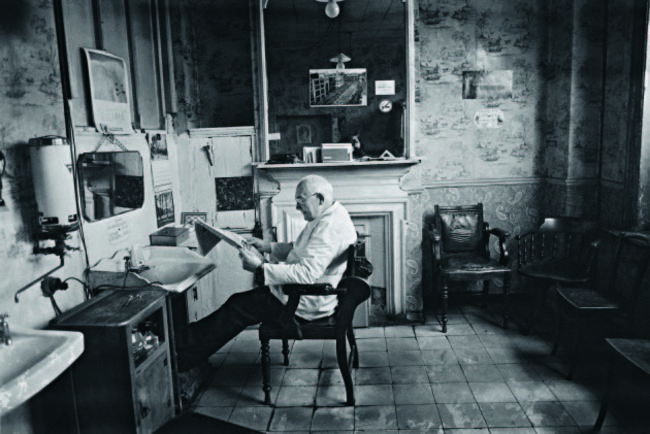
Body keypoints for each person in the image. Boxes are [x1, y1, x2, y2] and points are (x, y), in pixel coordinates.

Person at [176, 174, 357, 369]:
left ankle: (182, 347)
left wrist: (260, 267)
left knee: (236, 308)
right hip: (299, 293)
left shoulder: (328, 226)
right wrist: (268, 246)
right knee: (237, 304)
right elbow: (298, 248)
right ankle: (188, 351)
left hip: (302, 300)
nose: (297, 207)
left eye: (300, 200)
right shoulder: (331, 214)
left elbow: (307, 274)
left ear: (319, 199)